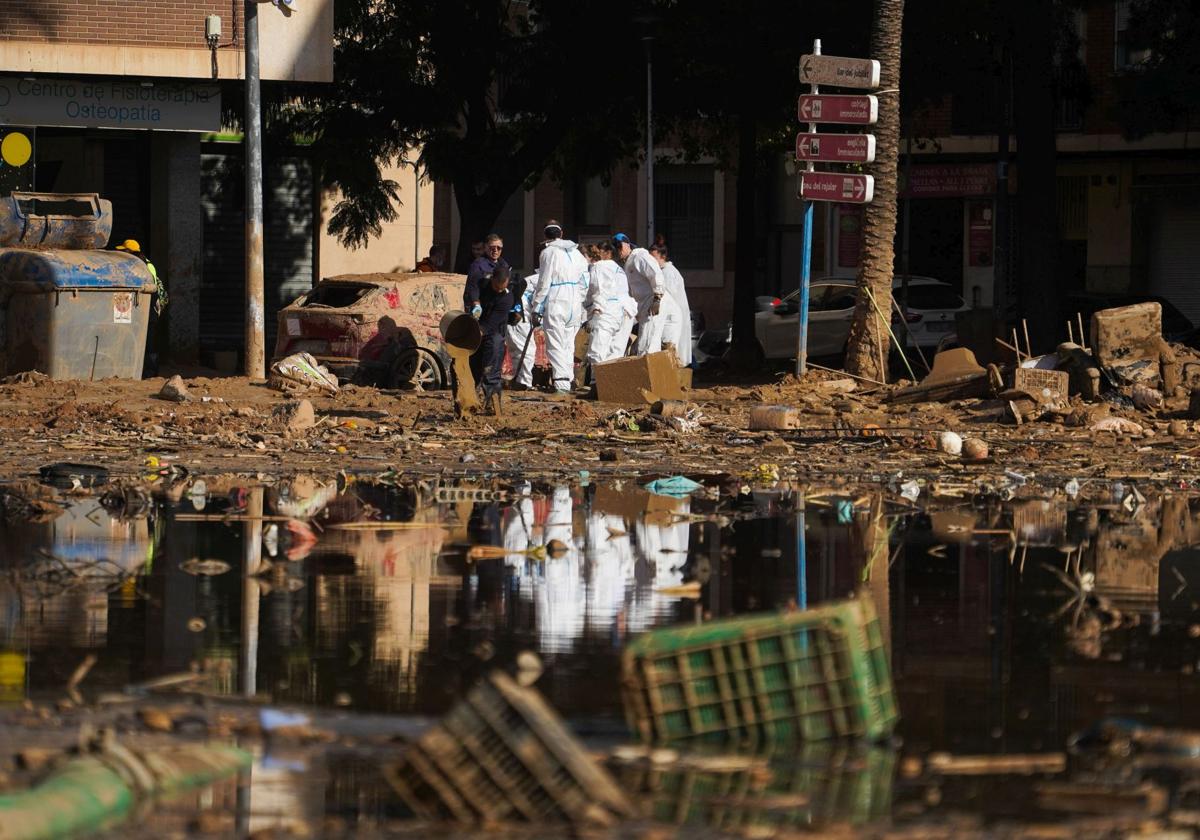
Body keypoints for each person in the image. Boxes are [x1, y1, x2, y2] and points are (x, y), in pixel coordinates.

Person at [529, 221, 588, 393]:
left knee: (555, 342)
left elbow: (544, 280)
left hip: (557, 299)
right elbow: (585, 279)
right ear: (561, 234)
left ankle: (562, 384)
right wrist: (580, 299)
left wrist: (537, 306)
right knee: (568, 344)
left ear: (545, 237)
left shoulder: (548, 252)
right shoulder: (576, 253)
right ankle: (569, 379)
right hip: (575, 301)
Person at [612, 232, 680, 356]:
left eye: (620, 246)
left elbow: (656, 274)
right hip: (646, 308)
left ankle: (649, 374)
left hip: (654, 305)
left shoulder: (640, 257)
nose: (619, 250)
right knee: (642, 346)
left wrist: (657, 299)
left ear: (627, 245)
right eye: (616, 247)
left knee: (648, 346)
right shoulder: (628, 263)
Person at [114, 239, 166, 376]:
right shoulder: (132, 266)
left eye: (124, 251)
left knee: (149, 340)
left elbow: (151, 289)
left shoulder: (146, 267)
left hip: (149, 309)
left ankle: (151, 372)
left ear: (130, 252)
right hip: (138, 308)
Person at [471, 264, 516, 414]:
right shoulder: (483, 284)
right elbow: (473, 288)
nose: (499, 291)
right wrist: (476, 303)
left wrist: (478, 332)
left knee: (491, 371)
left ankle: (493, 405)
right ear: (492, 280)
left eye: (502, 288)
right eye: (496, 287)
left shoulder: (507, 297)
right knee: (473, 369)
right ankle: (470, 402)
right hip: (477, 328)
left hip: (494, 333)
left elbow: (491, 323)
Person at [583, 239, 637, 365]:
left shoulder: (599, 267)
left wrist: (596, 312)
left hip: (607, 310)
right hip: (624, 311)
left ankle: (597, 381)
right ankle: (609, 382)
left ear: (607, 253)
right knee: (616, 351)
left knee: (598, 348)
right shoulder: (618, 268)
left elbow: (599, 291)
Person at [652, 243, 693, 366]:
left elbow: (667, 296)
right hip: (670, 317)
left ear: (663, 256)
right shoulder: (663, 271)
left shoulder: (668, 272)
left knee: (671, 349)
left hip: (671, 318)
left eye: (654, 257)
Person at [505, 271, 538, 391]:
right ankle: (523, 382)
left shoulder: (536, 278)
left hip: (519, 313)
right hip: (519, 315)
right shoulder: (546, 279)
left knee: (519, 350)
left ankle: (521, 380)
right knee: (526, 350)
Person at [464, 234, 508, 314]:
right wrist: (476, 304)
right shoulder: (478, 265)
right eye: (492, 247)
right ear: (485, 247)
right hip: (484, 308)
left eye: (499, 248)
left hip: (499, 307)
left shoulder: (504, 265)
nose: (496, 250)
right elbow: (472, 286)